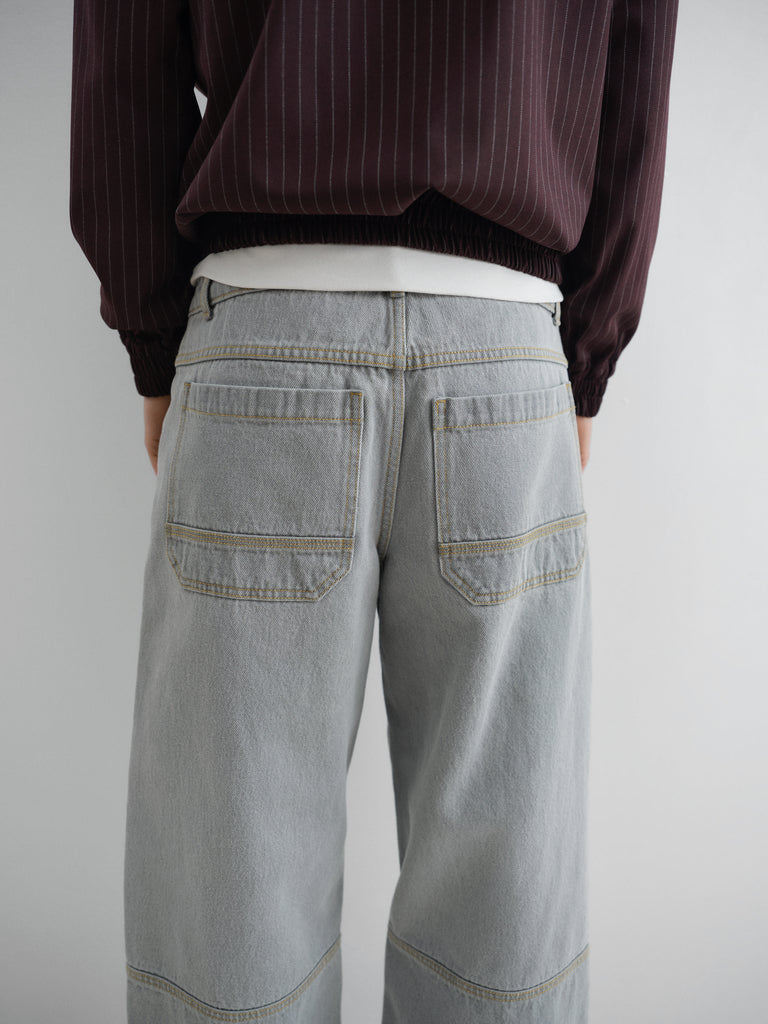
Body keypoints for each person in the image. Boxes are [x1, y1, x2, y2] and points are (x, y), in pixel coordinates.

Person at [69, 2, 679, 1022]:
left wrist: (152, 333)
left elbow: (123, 53)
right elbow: (635, 65)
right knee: (505, 909)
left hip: (261, 340)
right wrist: (583, 360)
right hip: (502, 354)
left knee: (229, 902)